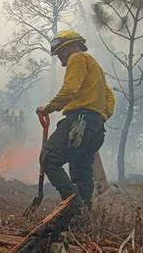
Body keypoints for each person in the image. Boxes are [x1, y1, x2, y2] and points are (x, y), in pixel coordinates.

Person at [36, 30, 115, 212]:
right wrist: (100, 117)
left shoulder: (77, 58)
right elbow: (110, 97)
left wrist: (48, 108)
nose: (61, 60)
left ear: (72, 46)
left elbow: (69, 90)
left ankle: (73, 206)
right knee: (81, 169)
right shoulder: (95, 67)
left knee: (49, 158)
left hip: (79, 121)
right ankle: (82, 216)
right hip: (95, 127)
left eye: (61, 52)